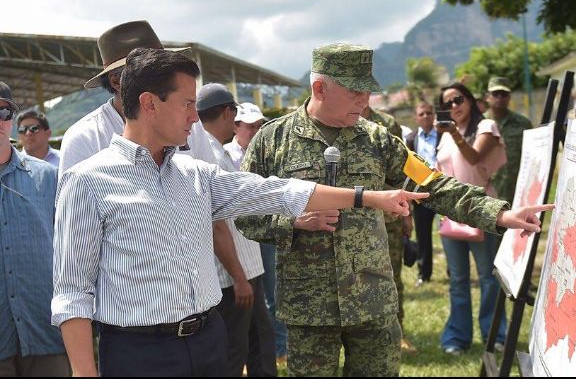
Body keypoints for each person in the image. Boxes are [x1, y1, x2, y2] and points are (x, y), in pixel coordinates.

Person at [52, 48, 427, 377]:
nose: (195, 117)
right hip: (140, 354)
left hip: (209, 342)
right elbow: (72, 292)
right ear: (150, 104)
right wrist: (84, 372)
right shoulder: (88, 181)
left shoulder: (195, 175)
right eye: (187, 104)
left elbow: (275, 191)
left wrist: (367, 197)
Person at [235, 42, 550, 376]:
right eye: (355, 91)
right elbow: (243, 211)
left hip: (372, 300)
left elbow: (433, 185)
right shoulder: (272, 141)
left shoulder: (378, 140)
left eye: (368, 91)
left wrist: (499, 214)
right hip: (309, 306)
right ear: (320, 88)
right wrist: (293, 222)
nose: (364, 101)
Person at [58, 20, 218, 176]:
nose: (165, 79)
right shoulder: (85, 138)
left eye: (166, 70)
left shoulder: (188, 124)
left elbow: (211, 184)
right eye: (152, 73)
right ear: (116, 81)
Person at [196, 84, 276, 377]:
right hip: (233, 276)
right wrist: (239, 278)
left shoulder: (216, 150)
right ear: (227, 113)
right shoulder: (210, 155)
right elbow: (216, 225)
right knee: (235, 350)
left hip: (245, 269)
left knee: (260, 341)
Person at [0, 82, 69, 377]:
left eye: (3, 112)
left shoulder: (49, 177)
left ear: (11, 118)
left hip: (45, 332)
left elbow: (73, 253)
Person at [435, 82, 509, 355]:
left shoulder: (486, 126)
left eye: (458, 99)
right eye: (447, 103)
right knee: (457, 279)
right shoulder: (445, 134)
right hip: (450, 212)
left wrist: (454, 133)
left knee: (488, 277)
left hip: (481, 210)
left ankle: (495, 335)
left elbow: (474, 158)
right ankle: (457, 337)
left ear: (470, 100)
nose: (453, 106)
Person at [361, 104, 415, 353]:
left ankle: (398, 331)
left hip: (388, 218)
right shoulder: (338, 121)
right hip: (354, 217)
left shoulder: (387, 124)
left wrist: (407, 214)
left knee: (392, 275)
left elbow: (404, 172)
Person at [483, 77, 533, 204]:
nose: (500, 97)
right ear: (487, 97)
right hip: (487, 193)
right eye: (496, 94)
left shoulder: (523, 123)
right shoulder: (480, 123)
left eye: (504, 94)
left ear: (509, 97)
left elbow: (532, 156)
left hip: (518, 190)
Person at [405, 101, 438, 286]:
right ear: (416, 118)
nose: (426, 116)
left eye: (429, 113)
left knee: (450, 232)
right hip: (422, 193)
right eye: (421, 114)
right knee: (423, 235)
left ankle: (454, 270)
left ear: (434, 115)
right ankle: (423, 274)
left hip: (444, 190)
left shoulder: (444, 134)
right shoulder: (411, 139)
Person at [224, 103, 267, 169]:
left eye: (259, 126)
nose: (257, 131)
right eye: (251, 126)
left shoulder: (269, 152)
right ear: (235, 127)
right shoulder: (226, 154)